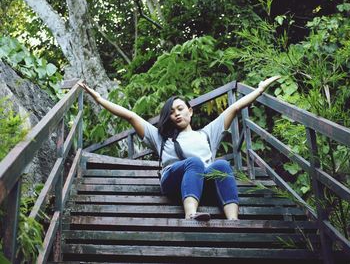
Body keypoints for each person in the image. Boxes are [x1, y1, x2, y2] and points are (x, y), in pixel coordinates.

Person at [78, 75, 280, 221]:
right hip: (173, 182)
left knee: (222, 165)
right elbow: (131, 116)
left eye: (180, 108)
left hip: (203, 183)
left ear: (190, 111)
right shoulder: (160, 137)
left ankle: (233, 221)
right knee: (194, 162)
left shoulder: (207, 134)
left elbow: (234, 108)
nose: (176, 113)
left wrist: (259, 90)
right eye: (172, 111)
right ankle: (191, 214)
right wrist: (98, 99)